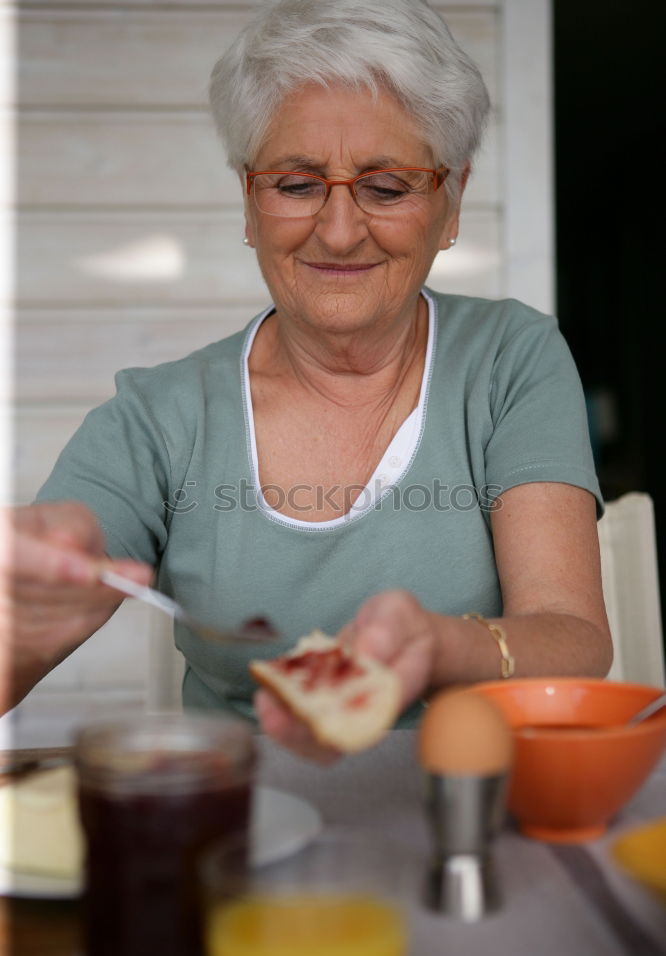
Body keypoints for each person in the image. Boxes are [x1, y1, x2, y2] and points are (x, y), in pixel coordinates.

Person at [2, 0, 612, 760]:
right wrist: (18, 615)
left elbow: (575, 638)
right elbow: (33, 603)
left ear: (450, 201)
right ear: (249, 200)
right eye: (296, 185)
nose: (340, 229)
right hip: (234, 834)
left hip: (469, 815)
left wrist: (441, 646)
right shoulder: (157, 418)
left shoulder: (510, 356)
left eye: (387, 188)